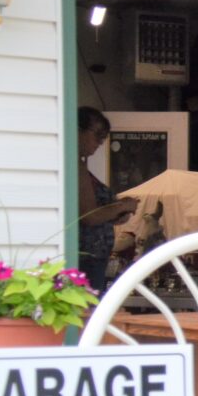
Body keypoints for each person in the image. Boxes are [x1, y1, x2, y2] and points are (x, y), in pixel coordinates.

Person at [77, 106, 138, 293]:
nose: (100, 142)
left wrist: (116, 212)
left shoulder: (80, 164)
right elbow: (89, 216)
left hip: (94, 257)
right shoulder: (75, 165)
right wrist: (122, 205)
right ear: (79, 131)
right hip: (87, 258)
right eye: (98, 134)